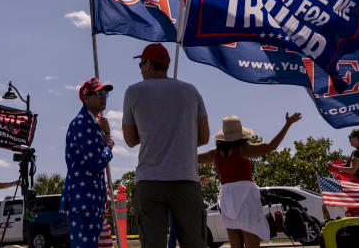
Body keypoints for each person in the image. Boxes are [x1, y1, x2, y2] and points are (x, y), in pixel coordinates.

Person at [123, 43, 210, 248]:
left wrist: (155, 136)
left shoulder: (134, 92)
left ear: (149, 65)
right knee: (195, 243)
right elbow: (204, 137)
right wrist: (180, 141)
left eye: (141, 64)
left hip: (150, 180)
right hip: (186, 180)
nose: (141, 69)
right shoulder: (191, 91)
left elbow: (130, 140)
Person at [198, 112, 302, 248]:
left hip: (227, 197)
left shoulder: (214, 153)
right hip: (245, 196)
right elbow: (271, 146)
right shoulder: (243, 150)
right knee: (252, 239)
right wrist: (288, 124)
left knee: (235, 241)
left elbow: (190, 159)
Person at [60, 77, 115, 248]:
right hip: (83, 201)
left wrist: (104, 134)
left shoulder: (92, 124)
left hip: (92, 201)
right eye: (99, 93)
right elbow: (97, 162)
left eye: (105, 93)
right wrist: (109, 142)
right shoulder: (81, 123)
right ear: (86, 97)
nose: (103, 96)